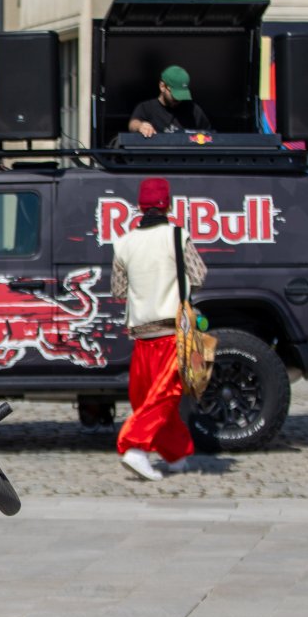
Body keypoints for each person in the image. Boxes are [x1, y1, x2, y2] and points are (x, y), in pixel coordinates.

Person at [110, 177, 207, 481]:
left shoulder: (124, 243)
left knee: (149, 399)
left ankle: (176, 453)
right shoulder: (177, 237)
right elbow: (199, 274)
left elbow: (118, 291)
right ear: (168, 204)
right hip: (171, 335)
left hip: (141, 335)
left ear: (139, 206)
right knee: (165, 397)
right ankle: (135, 448)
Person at [127, 65, 213, 137]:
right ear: (162, 86)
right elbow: (133, 123)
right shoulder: (146, 108)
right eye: (175, 94)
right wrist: (141, 126)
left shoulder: (193, 110)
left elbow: (210, 135)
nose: (178, 99)